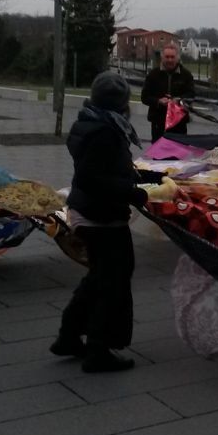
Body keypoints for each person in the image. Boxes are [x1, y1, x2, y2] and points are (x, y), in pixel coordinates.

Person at [53, 71, 149, 373]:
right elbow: (92, 177)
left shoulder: (92, 121)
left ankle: (69, 335)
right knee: (114, 281)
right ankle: (99, 349)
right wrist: (130, 192)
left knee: (99, 276)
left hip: (90, 212)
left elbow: (102, 169)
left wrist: (134, 180)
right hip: (101, 216)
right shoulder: (105, 131)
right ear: (121, 103)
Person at [140, 44, 196, 142]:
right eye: (167, 57)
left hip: (179, 123)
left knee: (178, 150)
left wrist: (178, 100)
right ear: (162, 57)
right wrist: (158, 101)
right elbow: (144, 97)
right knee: (159, 150)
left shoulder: (186, 75)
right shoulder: (153, 74)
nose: (169, 60)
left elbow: (191, 95)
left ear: (177, 58)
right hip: (158, 122)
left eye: (172, 57)